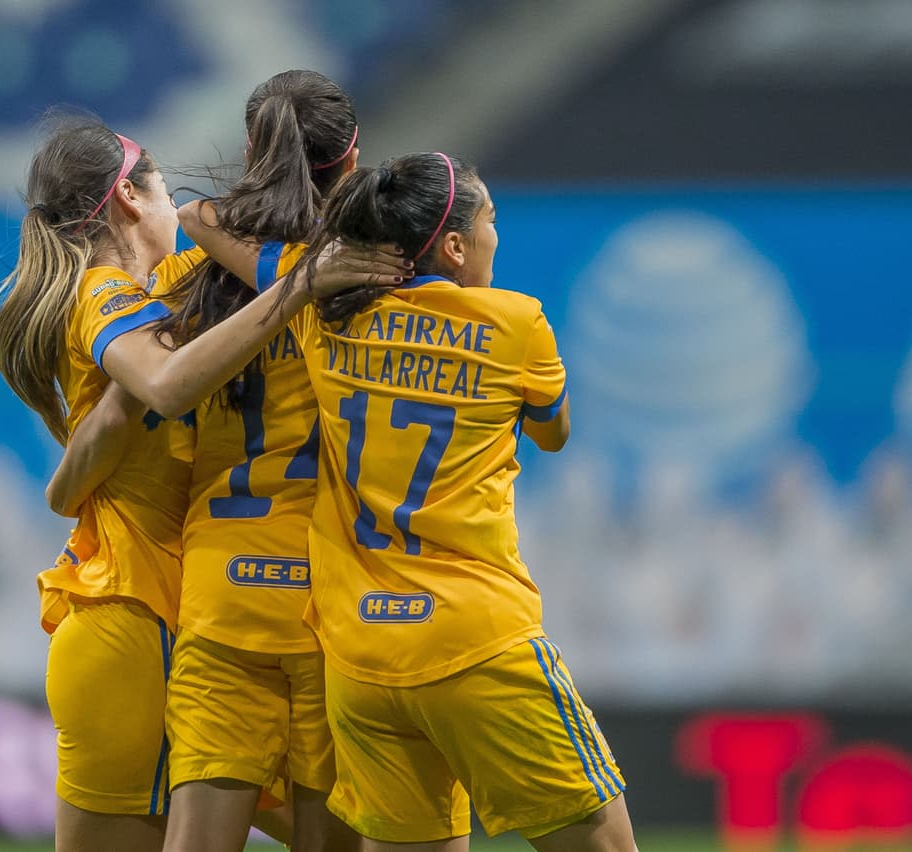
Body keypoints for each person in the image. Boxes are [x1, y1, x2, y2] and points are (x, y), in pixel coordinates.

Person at [186, 152, 639, 851]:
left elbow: (200, 220)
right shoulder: (517, 325)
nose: (496, 236)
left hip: (362, 661)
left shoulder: (322, 316)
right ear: (456, 247)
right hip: (478, 641)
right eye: (490, 222)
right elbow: (555, 433)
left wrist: (318, 271)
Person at [0, 114, 406, 852]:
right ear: (127, 200)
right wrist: (305, 282)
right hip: (134, 623)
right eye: (158, 185)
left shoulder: (164, 295)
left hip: (176, 627)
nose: (171, 204)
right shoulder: (104, 293)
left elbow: (205, 227)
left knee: (348, 832)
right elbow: (168, 384)